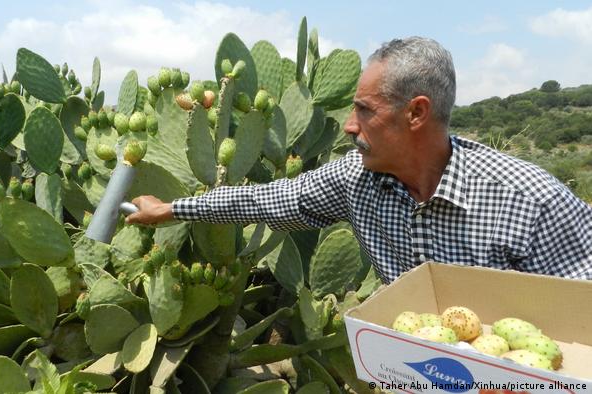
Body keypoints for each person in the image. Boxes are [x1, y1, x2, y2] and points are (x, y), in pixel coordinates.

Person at [126, 36, 592, 283]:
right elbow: (269, 200)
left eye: (365, 110)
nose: (349, 125)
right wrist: (171, 209)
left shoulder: (530, 201)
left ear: (416, 113)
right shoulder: (356, 179)